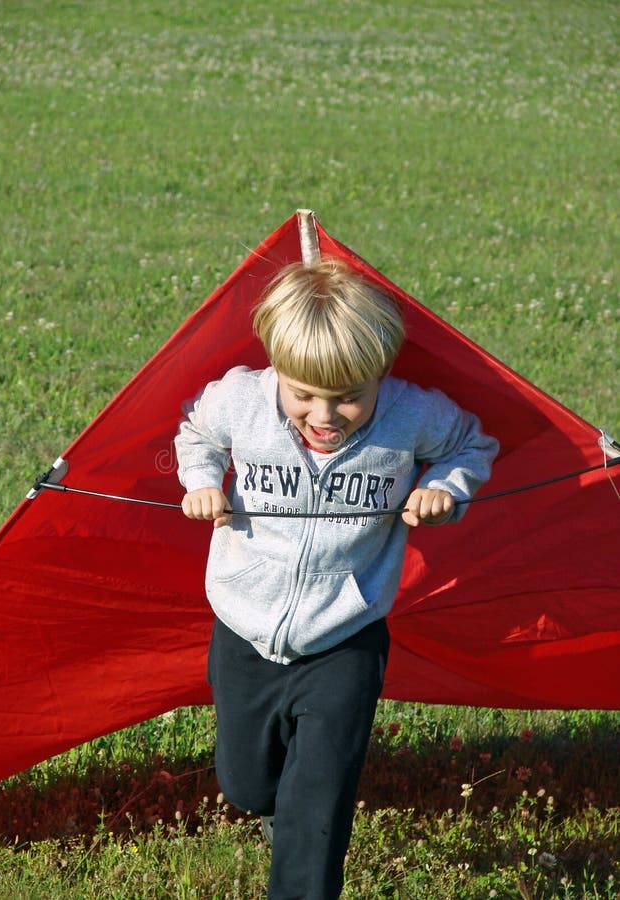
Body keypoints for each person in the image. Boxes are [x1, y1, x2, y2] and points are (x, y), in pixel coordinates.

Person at [174, 258, 498, 899]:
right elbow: (196, 431)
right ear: (276, 369)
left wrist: (441, 486)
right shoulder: (240, 398)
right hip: (245, 627)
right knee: (247, 785)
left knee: (317, 803)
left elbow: (471, 443)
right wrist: (203, 482)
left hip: (347, 636)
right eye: (303, 395)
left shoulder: (411, 414)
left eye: (350, 394)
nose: (325, 414)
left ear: (383, 373)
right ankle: (277, 806)